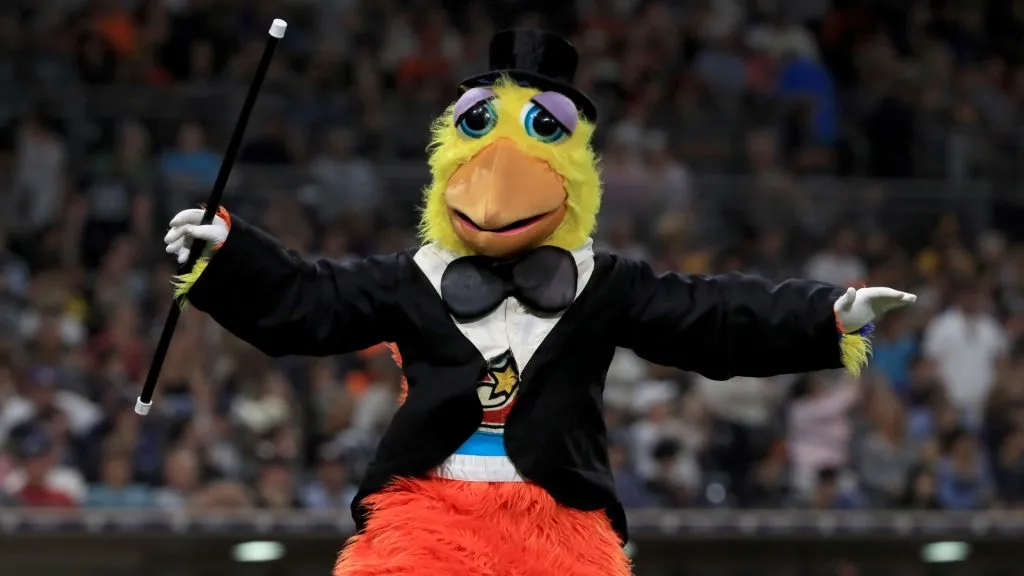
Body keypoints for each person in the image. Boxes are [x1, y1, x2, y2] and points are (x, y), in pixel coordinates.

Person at [163, 29, 915, 576]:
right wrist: (224, 255)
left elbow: (710, 317)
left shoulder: (602, 282)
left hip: (557, 522)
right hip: (426, 517)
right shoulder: (412, 277)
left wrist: (828, 313)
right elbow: (308, 302)